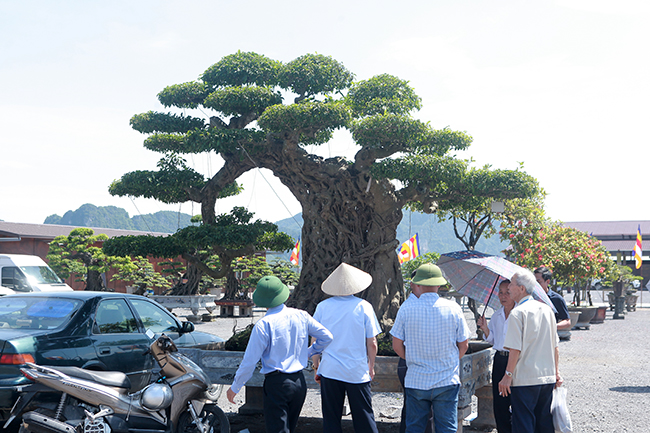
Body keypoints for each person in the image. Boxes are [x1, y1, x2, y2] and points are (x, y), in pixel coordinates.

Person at [227, 275, 333, 433]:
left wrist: (235, 387)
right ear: (284, 295)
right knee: (290, 427)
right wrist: (308, 353)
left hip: (276, 382)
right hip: (299, 381)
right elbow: (327, 337)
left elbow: (249, 362)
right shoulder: (301, 315)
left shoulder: (263, 325)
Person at [390, 263, 470, 433]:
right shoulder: (454, 308)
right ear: (439, 284)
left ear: (417, 283)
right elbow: (464, 344)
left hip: (416, 378)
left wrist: (412, 358)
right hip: (446, 379)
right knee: (447, 428)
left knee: (414, 428)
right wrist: (450, 361)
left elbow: (396, 346)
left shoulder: (406, 308)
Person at [312, 263, 382, 433]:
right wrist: (370, 366)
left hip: (330, 369)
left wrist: (317, 366)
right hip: (357, 371)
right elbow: (372, 342)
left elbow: (314, 339)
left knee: (331, 418)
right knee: (364, 416)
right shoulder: (364, 306)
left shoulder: (323, 307)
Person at [498, 270, 562, 433]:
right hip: (546, 377)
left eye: (511, 284)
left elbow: (515, 349)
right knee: (544, 423)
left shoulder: (517, 313)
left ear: (521, 288)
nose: (509, 288)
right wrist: (556, 372)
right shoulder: (547, 309)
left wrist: (507, 375)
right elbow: (555, 345)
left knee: (523, 423)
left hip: (525, 379)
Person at [477, 280, 515, 433]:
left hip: (515, 360)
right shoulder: (497, 315)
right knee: (500, 401)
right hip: (500, 358)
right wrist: (485, 328)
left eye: (507, 292)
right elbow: (492, 340)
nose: (503, 296)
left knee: (516, 398)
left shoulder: (520, 314)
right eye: (501, 292)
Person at [534, 266, 571, 335]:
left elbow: (567, 321)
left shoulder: (556, 299)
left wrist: (552, 326)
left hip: (549, 336)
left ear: (547, 281)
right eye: (534, 282)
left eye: (539, 282)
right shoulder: (530, 297)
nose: (536, 286)